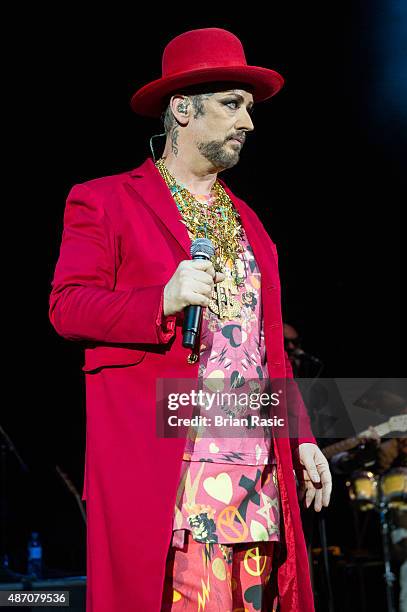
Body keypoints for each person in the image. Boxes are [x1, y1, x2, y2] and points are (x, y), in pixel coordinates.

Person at [49, 27, 332, 612]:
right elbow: (67, 306)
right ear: (182, 108)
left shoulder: (254, 226)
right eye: (231, 104)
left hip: (255, 470)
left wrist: (301, 438)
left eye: (249, 108)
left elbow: (266, 354)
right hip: (172, 471)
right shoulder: (105, 201)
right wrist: (161, 299)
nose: (247, 122)